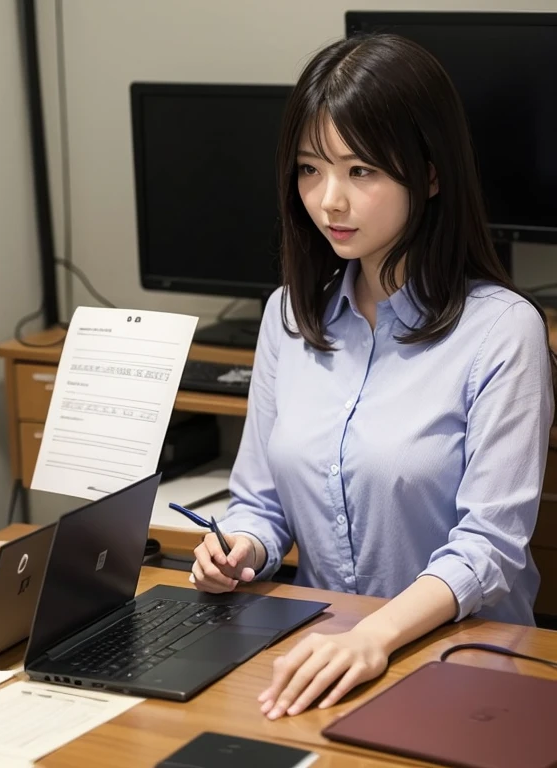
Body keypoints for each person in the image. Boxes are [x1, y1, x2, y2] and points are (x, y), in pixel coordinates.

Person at [191, 34, 554, 719]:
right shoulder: (287, 316)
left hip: (465, 660)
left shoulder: (502, 330)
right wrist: (239, 549)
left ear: (432, 173)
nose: (328, 201)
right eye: (308, 170)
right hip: (322, 655)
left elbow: (489, 549)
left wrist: (373, 637)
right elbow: (261, 505)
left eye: (361, 172)